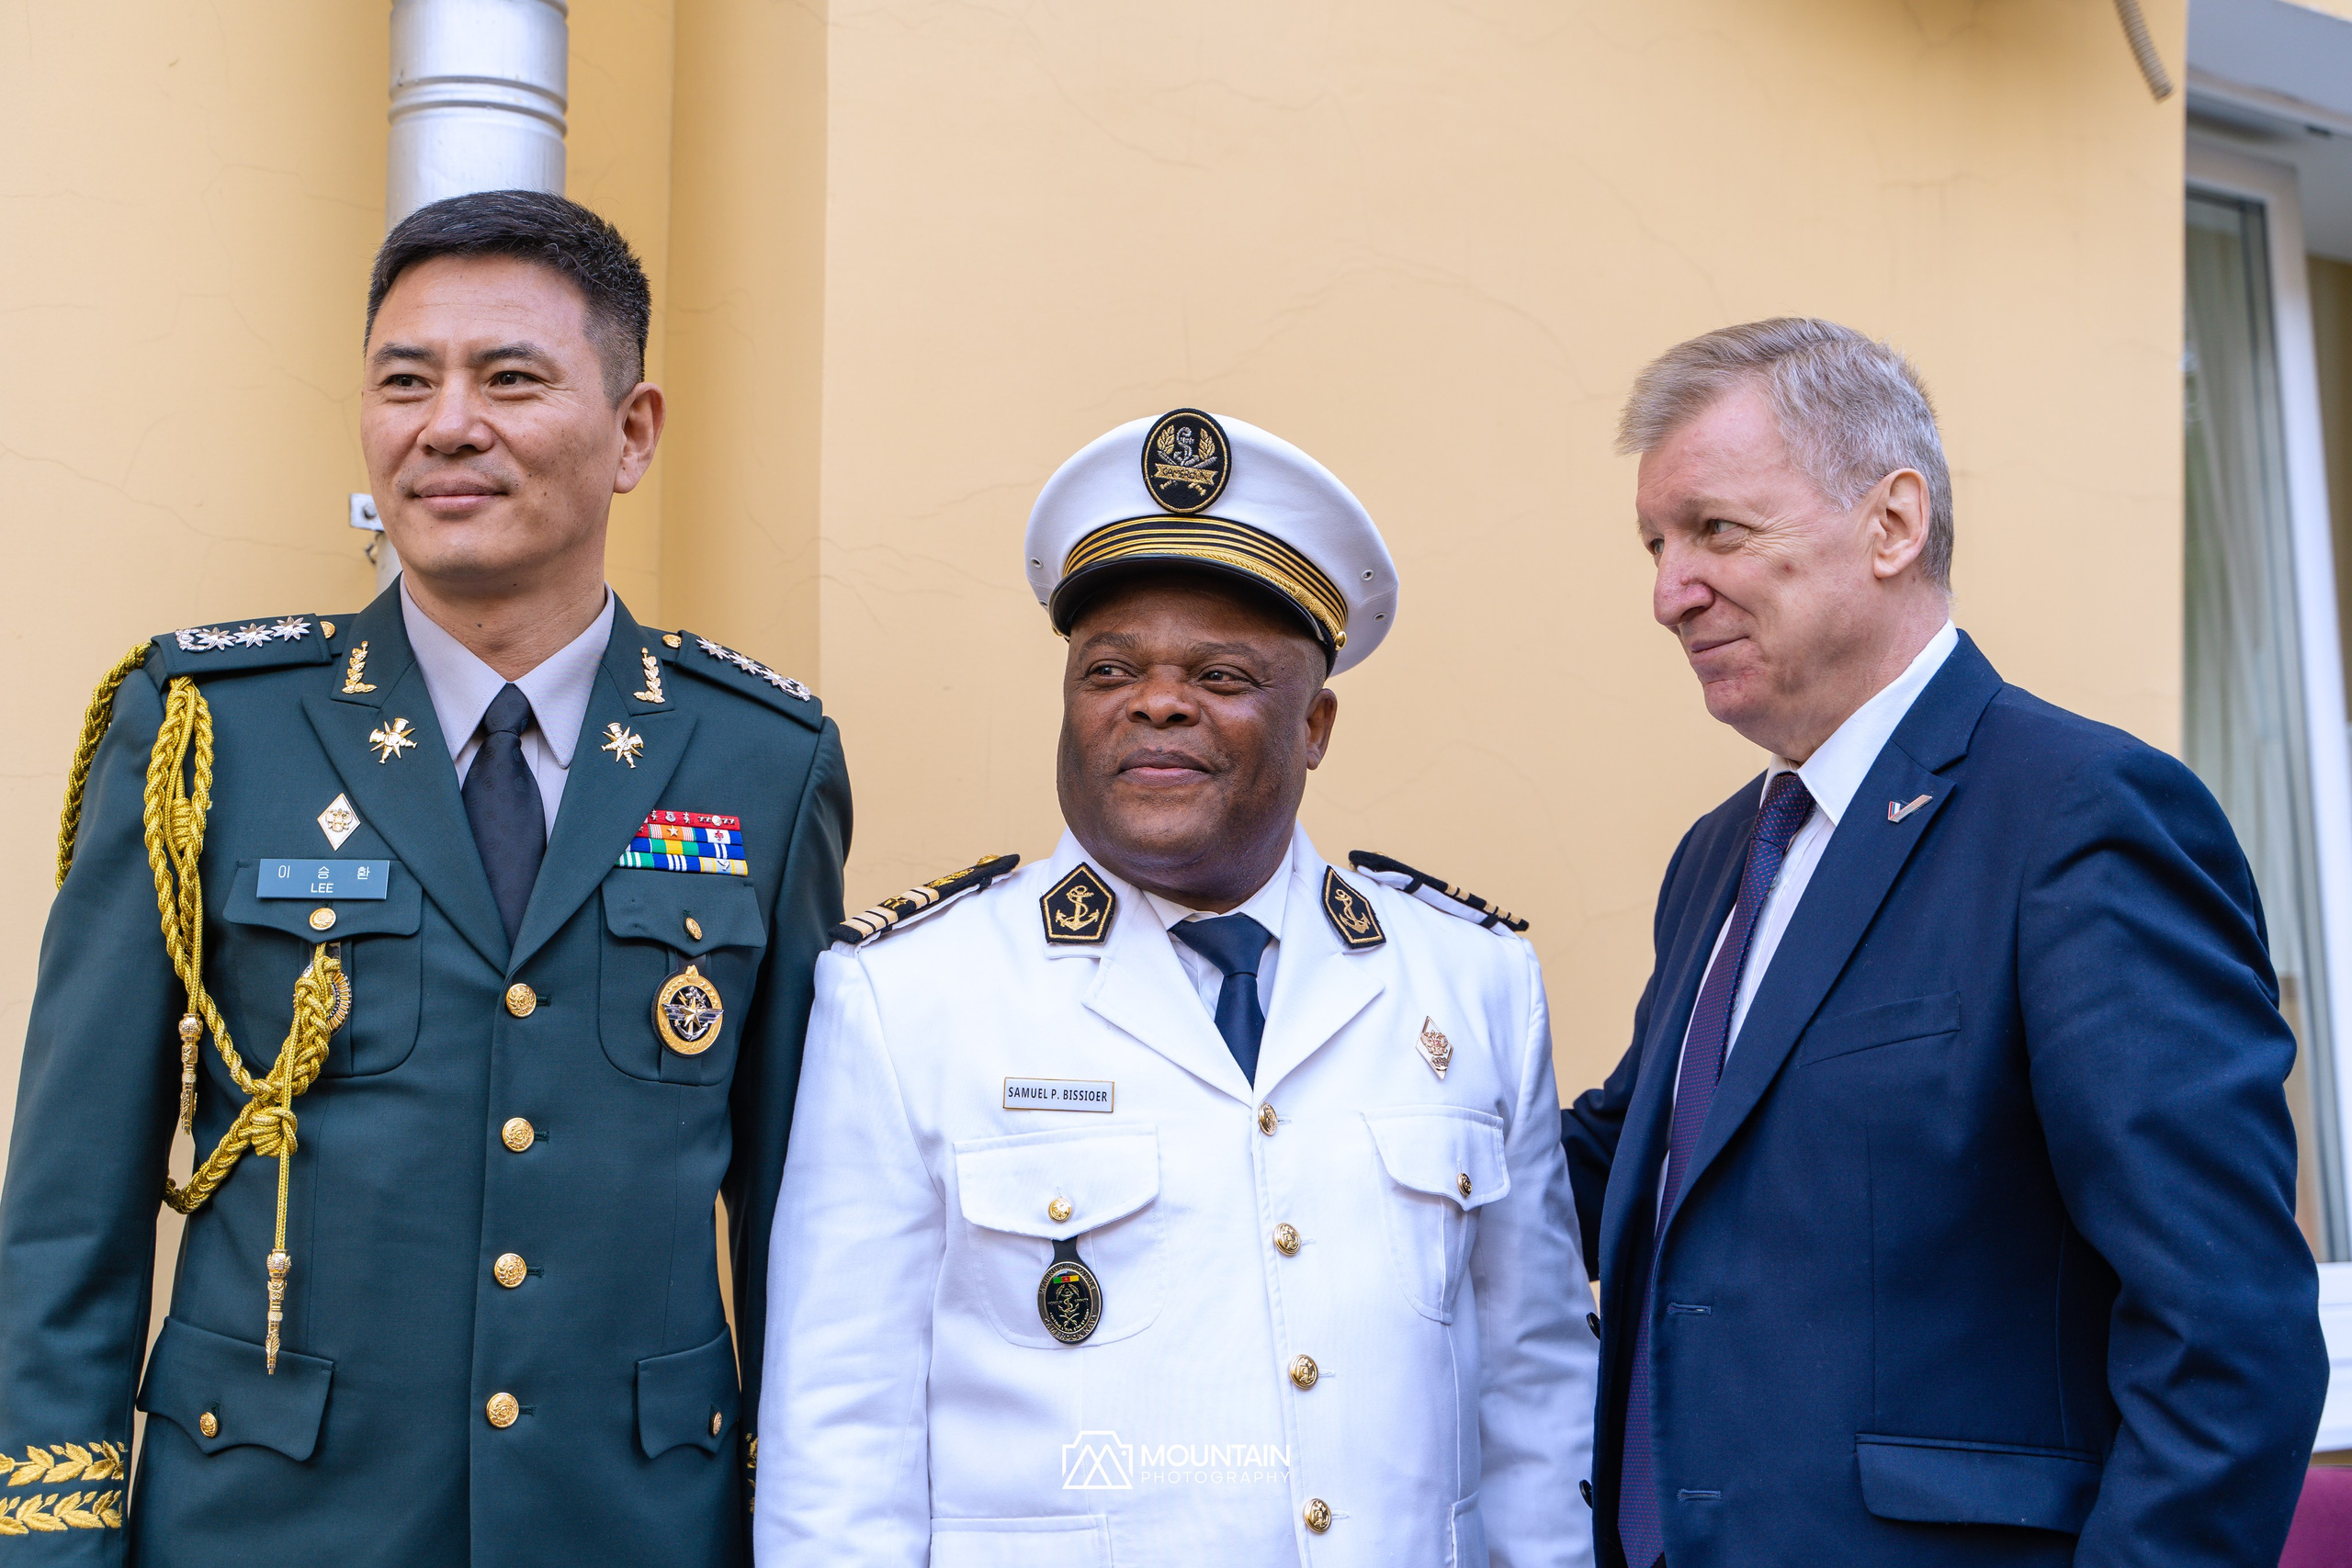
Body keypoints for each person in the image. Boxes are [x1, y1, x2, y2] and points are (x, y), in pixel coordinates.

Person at [0, 190, 849, 1562]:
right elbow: (69, 1200)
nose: (447, 424)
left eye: (510, 378)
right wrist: (49, 1538)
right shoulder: (206, 728)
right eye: (406, 380)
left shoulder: (764, 757)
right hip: (268, 1524)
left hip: (627, 1525)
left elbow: (802, 1227)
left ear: (633, 434)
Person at [756, 409, 1595, 1566]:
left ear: (1316, 725)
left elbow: (1537, 1388)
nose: (1156, 702)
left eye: (1220, 675)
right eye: (1109, 670)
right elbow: (838, 1433)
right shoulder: (910, 997)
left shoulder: (1468, 978)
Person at [1562, 318, 2326, 1567]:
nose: (1668, 591)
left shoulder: (2077, 814)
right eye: (1655, 544)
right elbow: (1637, 1172)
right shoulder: (1719, 856)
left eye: (1716, 529)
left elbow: (2228, 1326)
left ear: (1893, 522)